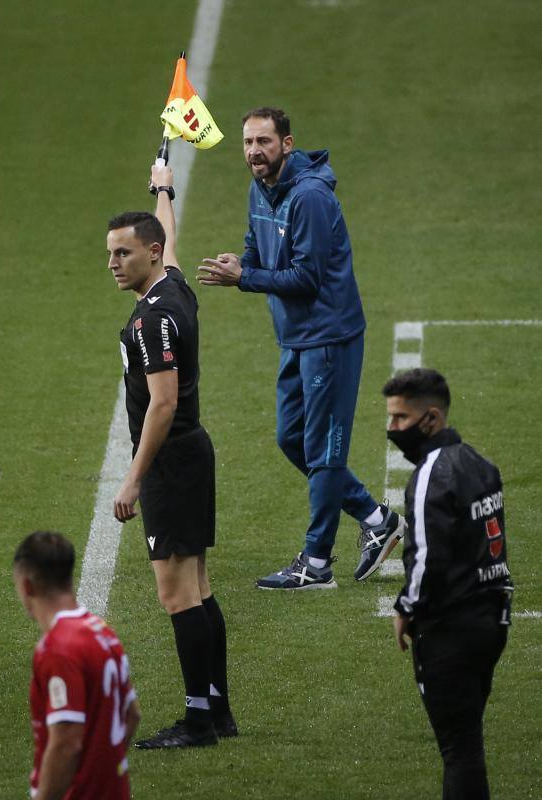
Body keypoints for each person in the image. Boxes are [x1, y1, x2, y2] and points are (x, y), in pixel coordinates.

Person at [197, 106, 403, 588]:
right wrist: (241, 260)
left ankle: (316, 563)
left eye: (264, 142)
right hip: (296, 337)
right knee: (292, 439)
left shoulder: (309, 198)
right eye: (248, 143)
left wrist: (244, 278)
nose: (254, 152)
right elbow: (256, 243)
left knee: (324, 449)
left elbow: (307, 277)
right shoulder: (261, 187)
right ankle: (376, 520)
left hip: (329, 336)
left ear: (287, 144)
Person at [107, 163, 236, 749]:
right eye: (110, 253)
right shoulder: (173, 285)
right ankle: (218, 711)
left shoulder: (153, 318)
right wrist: (163, 188)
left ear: (149, 256)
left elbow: (162, 403)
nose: (113, 263)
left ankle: (199, 721)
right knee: (200, 587)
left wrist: (133, 479)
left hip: (171, 462)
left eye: (123, 254)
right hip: (191, 454)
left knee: (177, 593)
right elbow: (170, 236)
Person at [385, 368, 513, 800]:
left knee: (459, 751)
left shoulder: (429, 477)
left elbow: (427, 558)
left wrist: (405, 608)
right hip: (492, 621)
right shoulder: (481, 463)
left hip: (451, 630)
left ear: (431, 418)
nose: (392, 429)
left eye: (400, 419)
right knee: (468, 744)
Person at [13, 530, 140, 800]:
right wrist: (102, 770)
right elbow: (132, 715)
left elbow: (66, 742)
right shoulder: (104, 632)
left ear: (27, 586)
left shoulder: (57, 649)